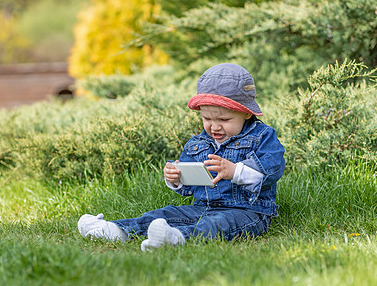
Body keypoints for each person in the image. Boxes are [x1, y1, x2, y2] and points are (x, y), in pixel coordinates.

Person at [78, 63, 285, 251]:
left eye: (224, 119)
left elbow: (272, 169)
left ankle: (176, 238)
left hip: (247, 211)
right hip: (201, 207)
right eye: (207, 118)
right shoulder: (198, 143)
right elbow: (189, 187)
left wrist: (234, 171)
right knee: (165, 213)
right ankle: (116, 230)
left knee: (217, 225)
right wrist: (176, 179)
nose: (215, 126)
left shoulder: (262, 136)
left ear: (246, 113)